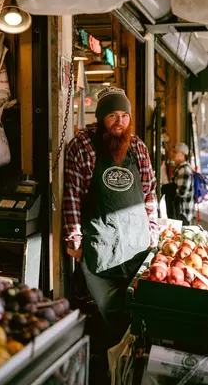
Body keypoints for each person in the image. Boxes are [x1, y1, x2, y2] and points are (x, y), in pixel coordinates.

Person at [63, 86, 158, 345]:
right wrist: (75, 240)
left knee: (138, 316)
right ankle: (112, 368)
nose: (120, 122)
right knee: (113, 318)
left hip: (137, 248)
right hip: (100, 247)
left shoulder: (137, 146)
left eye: (124, 116)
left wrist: (153, 232)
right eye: (113, 115)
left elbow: (149, 193)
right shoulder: (81, 145)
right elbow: (72, 194)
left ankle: (127, 368)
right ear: (101, 117)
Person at [171, 142, 194, 225]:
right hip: (182, 212)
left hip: (183, 212)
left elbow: (182, 192)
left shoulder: (184, 170)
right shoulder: (180, 168)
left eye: (175, 152)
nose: (172, 154)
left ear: (182, 154)